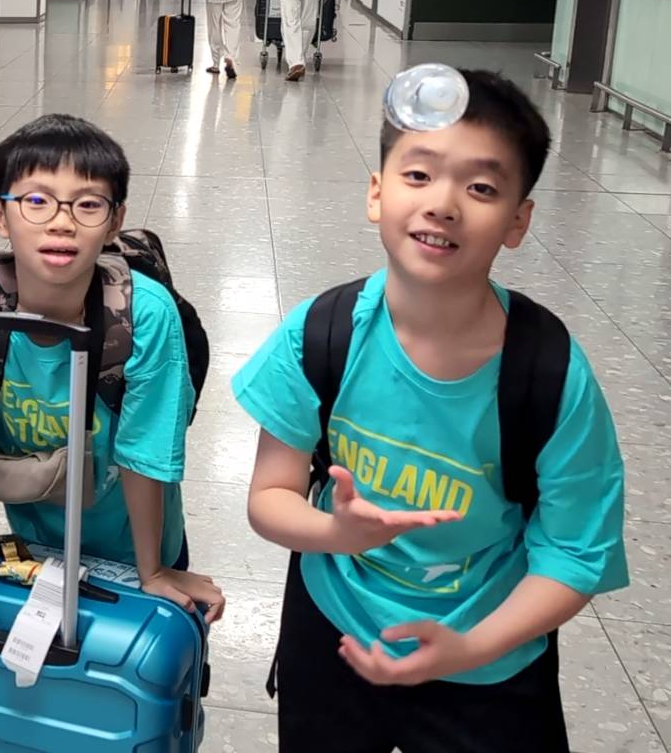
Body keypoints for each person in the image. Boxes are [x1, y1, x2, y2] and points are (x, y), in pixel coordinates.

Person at [234, 70, 628, 753]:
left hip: (489, 656)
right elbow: (270, 496)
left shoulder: (549, 371)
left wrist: (471, 648)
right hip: (334, 632)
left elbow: (573, 552)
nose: (442, 204)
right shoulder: (321, 334)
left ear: (518, 220)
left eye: (481, 188)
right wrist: (337, 533)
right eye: (418, 175)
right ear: (376, 192)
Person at [0, 115, 224, 622]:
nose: (61, 222)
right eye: (37, 201)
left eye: (88, 204)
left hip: (135, 542)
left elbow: (144, 454)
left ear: (115, 220)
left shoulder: (145, 316)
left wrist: (152, 572)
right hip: (35, 537)